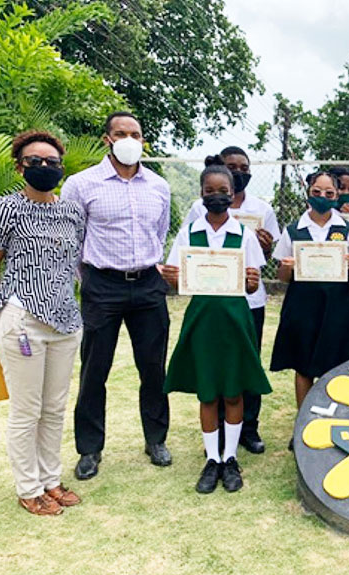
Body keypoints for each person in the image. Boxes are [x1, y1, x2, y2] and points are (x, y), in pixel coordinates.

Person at [0, 131, 84, 515]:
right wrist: (1, 314)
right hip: (22, 318)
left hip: (66, 322)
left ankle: (50, 480)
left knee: (54, 407)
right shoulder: (6, 209)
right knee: (27, 409)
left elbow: (72, 264)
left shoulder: (71, 211)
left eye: (51, 161)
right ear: (19, 165)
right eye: (34, 161)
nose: (44, 167)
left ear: (61, 165)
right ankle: (28, 487)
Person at [61, 111, 172, 480]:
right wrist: (90, 280)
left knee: (153, 368)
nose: (129, 139)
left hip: (148, 285)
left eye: (136, 134)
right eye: (121, 133)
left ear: (143, 140)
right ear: (107, 139)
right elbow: (73, 240)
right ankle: (90, 449)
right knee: (95, 370)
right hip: (101, 286)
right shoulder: (81, 184)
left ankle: (156, 439)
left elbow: (160, 231)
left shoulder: (158, 185)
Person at [162, 164, 272, 494]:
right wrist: (172, 277)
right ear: (201, 194)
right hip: (203, 318)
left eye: (223, 190)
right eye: (209, 191)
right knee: (208, 392)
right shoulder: (189, 232)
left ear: (233, 192)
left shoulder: (244, 234)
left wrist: (252, 283)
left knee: (234, 390)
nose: (217, 196)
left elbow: (252, 285)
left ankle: (229, 458)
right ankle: (211, 459)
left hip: (236, 319)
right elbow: (178, 275)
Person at [183, 148, 279, 454]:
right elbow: (186, 263)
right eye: (231, 166)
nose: (238, 171)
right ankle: (218, 439)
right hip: (210, 304)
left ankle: (247, 430)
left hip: (247, 303)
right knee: (213, 376)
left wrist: (263, 248)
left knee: (243, 369)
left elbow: (261, 260)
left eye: (243, 167)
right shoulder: (198, 214)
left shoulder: (261, 208)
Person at [270, 171, 349, 409]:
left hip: (336, 306)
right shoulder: (293, 230)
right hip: (302, 306)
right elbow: (281, 278)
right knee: (303, 366)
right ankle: (303, 422)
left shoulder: (348, 230)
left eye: (329, 193)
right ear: (309, 193)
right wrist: (286, 267)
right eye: (317, 192)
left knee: (333, 365)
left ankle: (328, 421)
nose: (322, 196)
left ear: (337, 195)